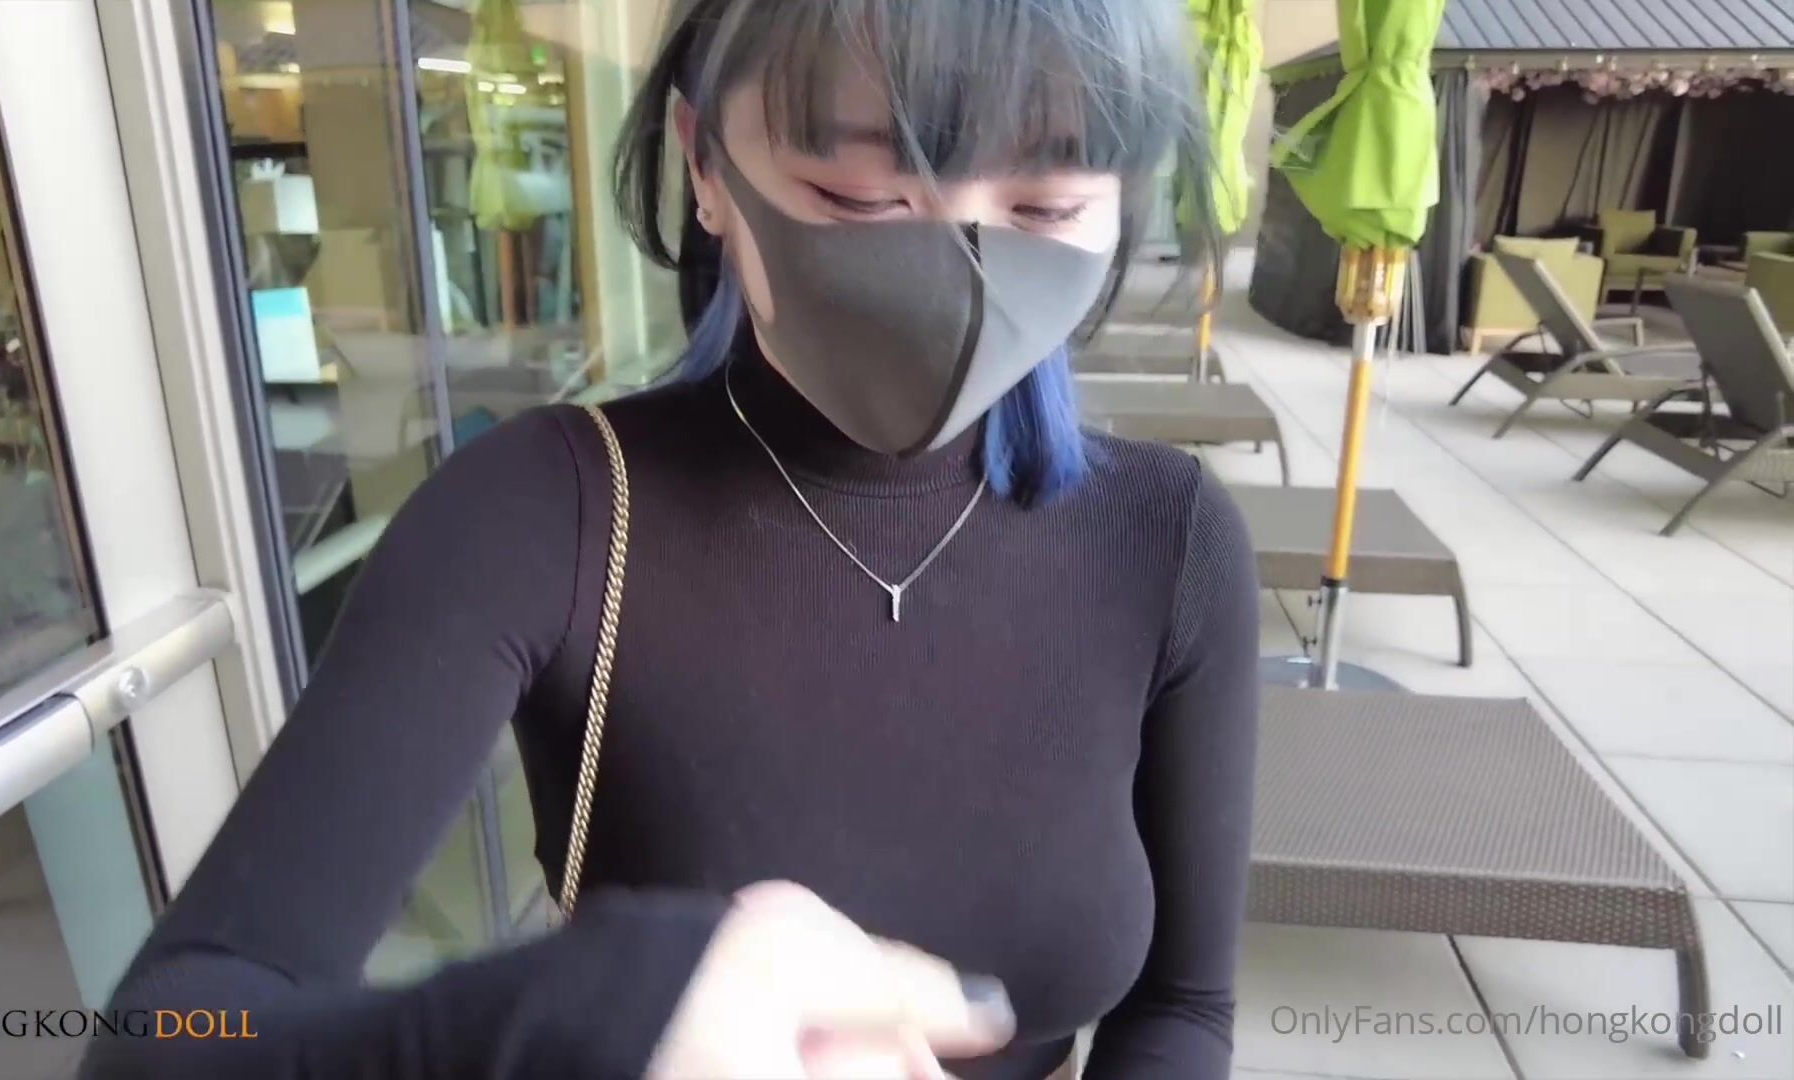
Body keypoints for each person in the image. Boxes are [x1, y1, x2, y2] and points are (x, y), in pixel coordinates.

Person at [94, 1, 1258, 1078]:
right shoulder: (543, 516)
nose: (958, 274)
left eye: (1046, 211)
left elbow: (1184, 1005)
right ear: (706, 165)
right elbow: (167, 1035)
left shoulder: (1168, 541)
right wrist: (548, 1020)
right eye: (859, 198)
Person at [82, 880, 1014, 1079]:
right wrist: (539, 1026)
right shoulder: (556, 499)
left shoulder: (1119, 542)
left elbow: (1158, 1011)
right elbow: (155, 1034)